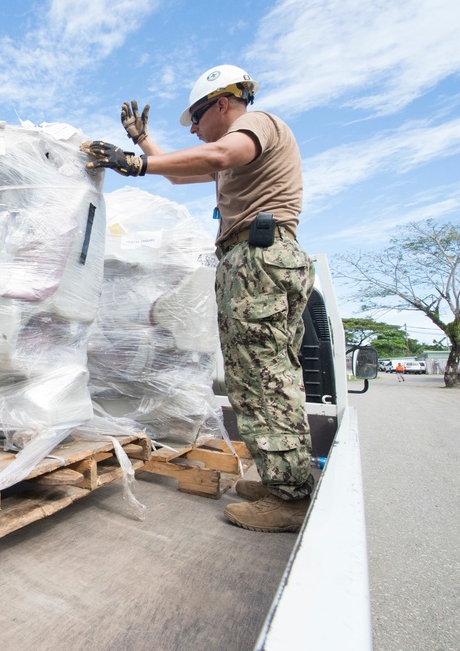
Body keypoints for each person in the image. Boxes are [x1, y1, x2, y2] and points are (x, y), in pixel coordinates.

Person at [81, 65, 315, 533]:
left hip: (259, 257)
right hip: (250, 258)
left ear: (223, 104)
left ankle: (289, 498)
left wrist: (135, 162)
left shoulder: (257, 124)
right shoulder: (230, 154)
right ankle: (281, 482)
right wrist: (144, 144)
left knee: (263, 374)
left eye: (196, 117)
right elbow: (182, 175)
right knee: (255, 374)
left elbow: (218, 153)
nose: (191, 127)